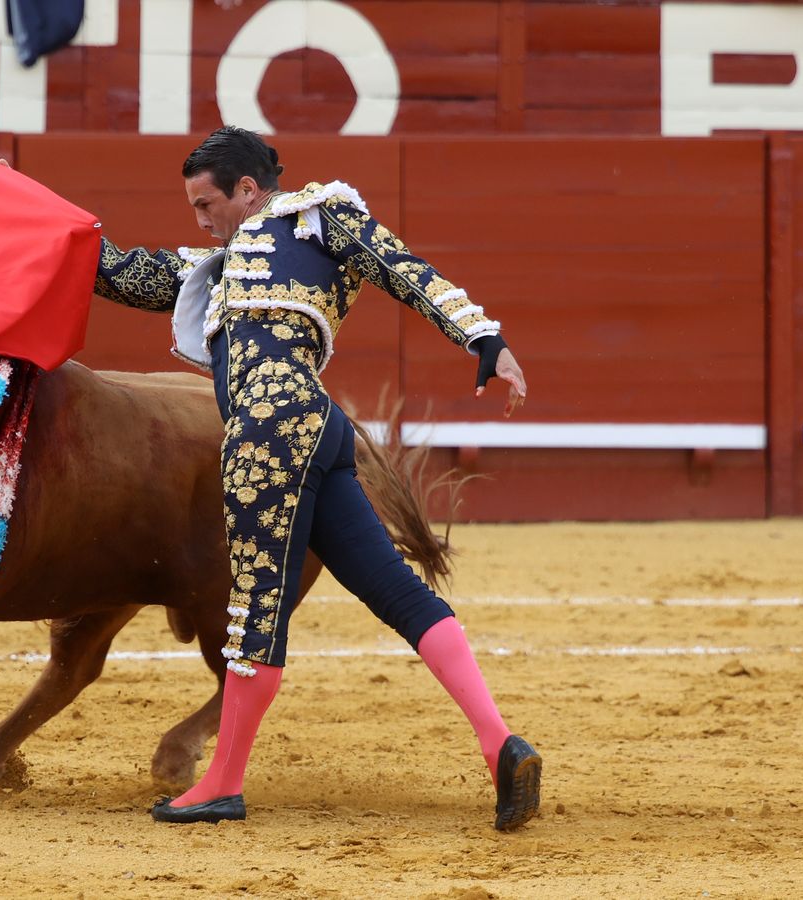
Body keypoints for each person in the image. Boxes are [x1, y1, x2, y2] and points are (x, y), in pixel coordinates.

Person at [93, 126, 541, 831]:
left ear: (248, 189)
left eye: (207, 204)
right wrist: (17, 201)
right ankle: (500, 745)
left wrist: (484, 338)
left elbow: (402, 268)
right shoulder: (214, 270)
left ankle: (222, 782)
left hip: (269, 427)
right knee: (395, 589)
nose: (201, 221)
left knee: (254, 609)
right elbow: (114, 270)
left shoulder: (317, 215)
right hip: (320, 427)